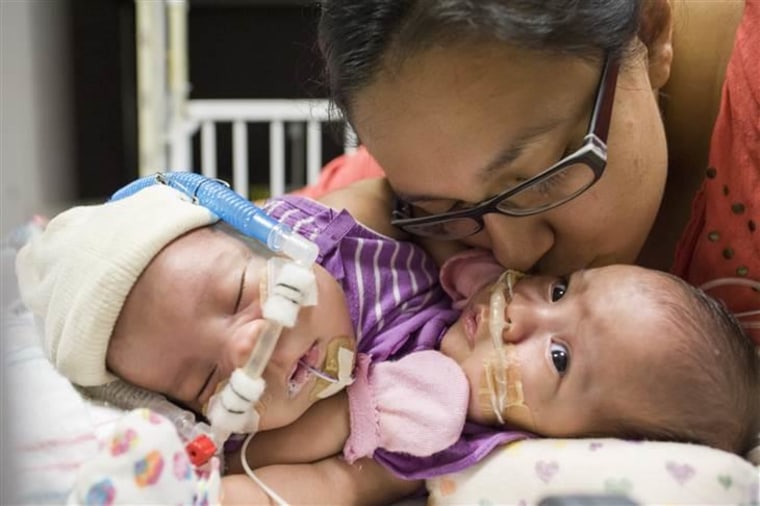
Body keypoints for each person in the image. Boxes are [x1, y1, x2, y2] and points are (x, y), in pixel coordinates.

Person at [16, 183, 759, 505]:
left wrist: (196, 488)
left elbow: (330, 488)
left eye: (559, 360)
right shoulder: (382, 248)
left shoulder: (430, 434)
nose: (252, 348)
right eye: (561, 290)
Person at [308, 0, 760, 342]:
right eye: (444, 209)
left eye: (539, 179)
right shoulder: (433, 168)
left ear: (648, 28)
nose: (514, 256)